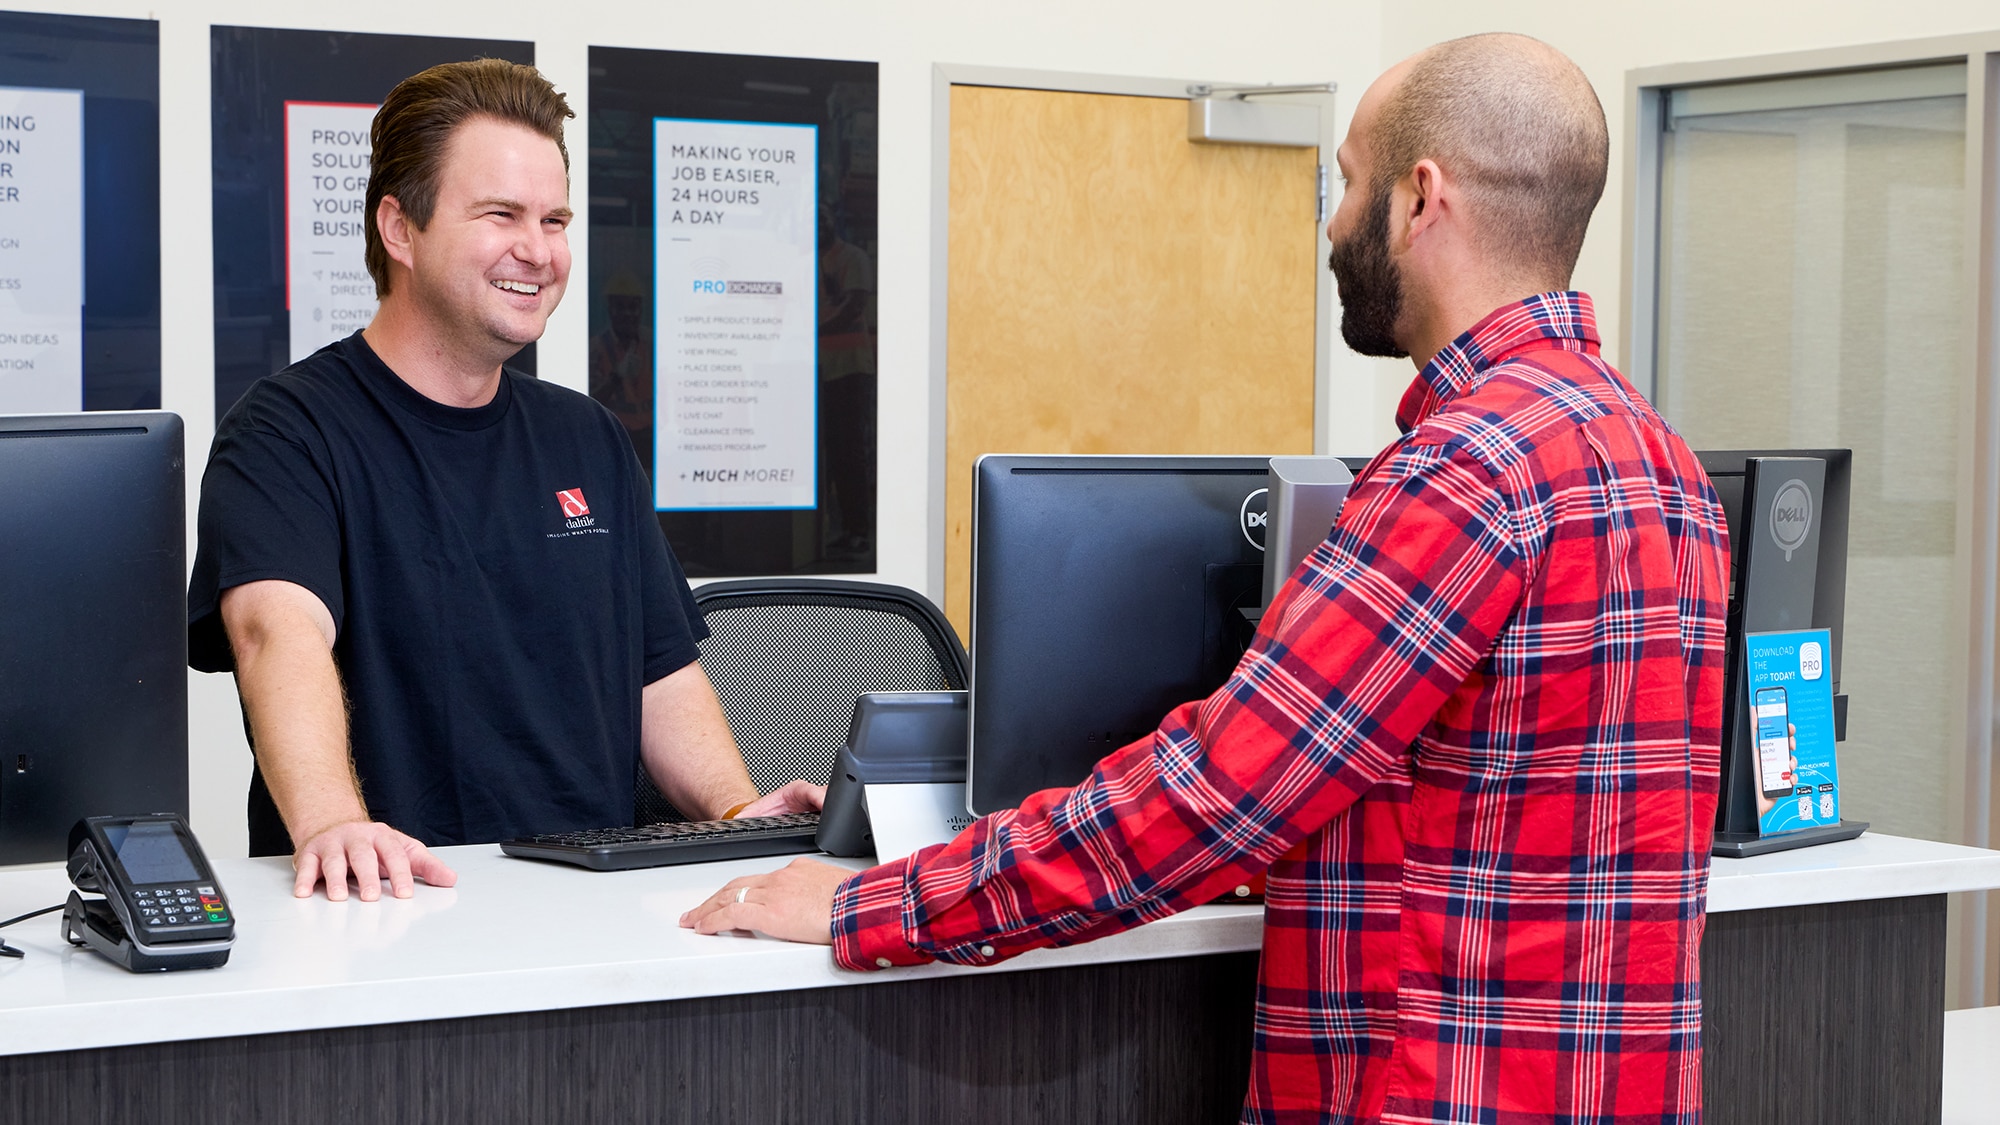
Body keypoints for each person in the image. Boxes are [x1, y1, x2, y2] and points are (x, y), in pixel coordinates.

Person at [683, 33, 1730, 1124]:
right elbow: (1515, 805)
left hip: (1436, 1095)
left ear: (1420, 200)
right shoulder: (1660, 461)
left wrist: (873, 901)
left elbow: (1211, 799)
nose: (1331, 225)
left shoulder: (1462, 473)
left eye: (1346, 182)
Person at [188, 60, 817, 904]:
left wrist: (741, 812)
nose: (540, 249)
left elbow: (659, 675)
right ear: (400, 229)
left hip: (589, 908)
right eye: (502, 215)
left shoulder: (586, 437)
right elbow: (275, 636)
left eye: (554, 218)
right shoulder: (286, 433)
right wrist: (334, 823)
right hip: (391, 903)